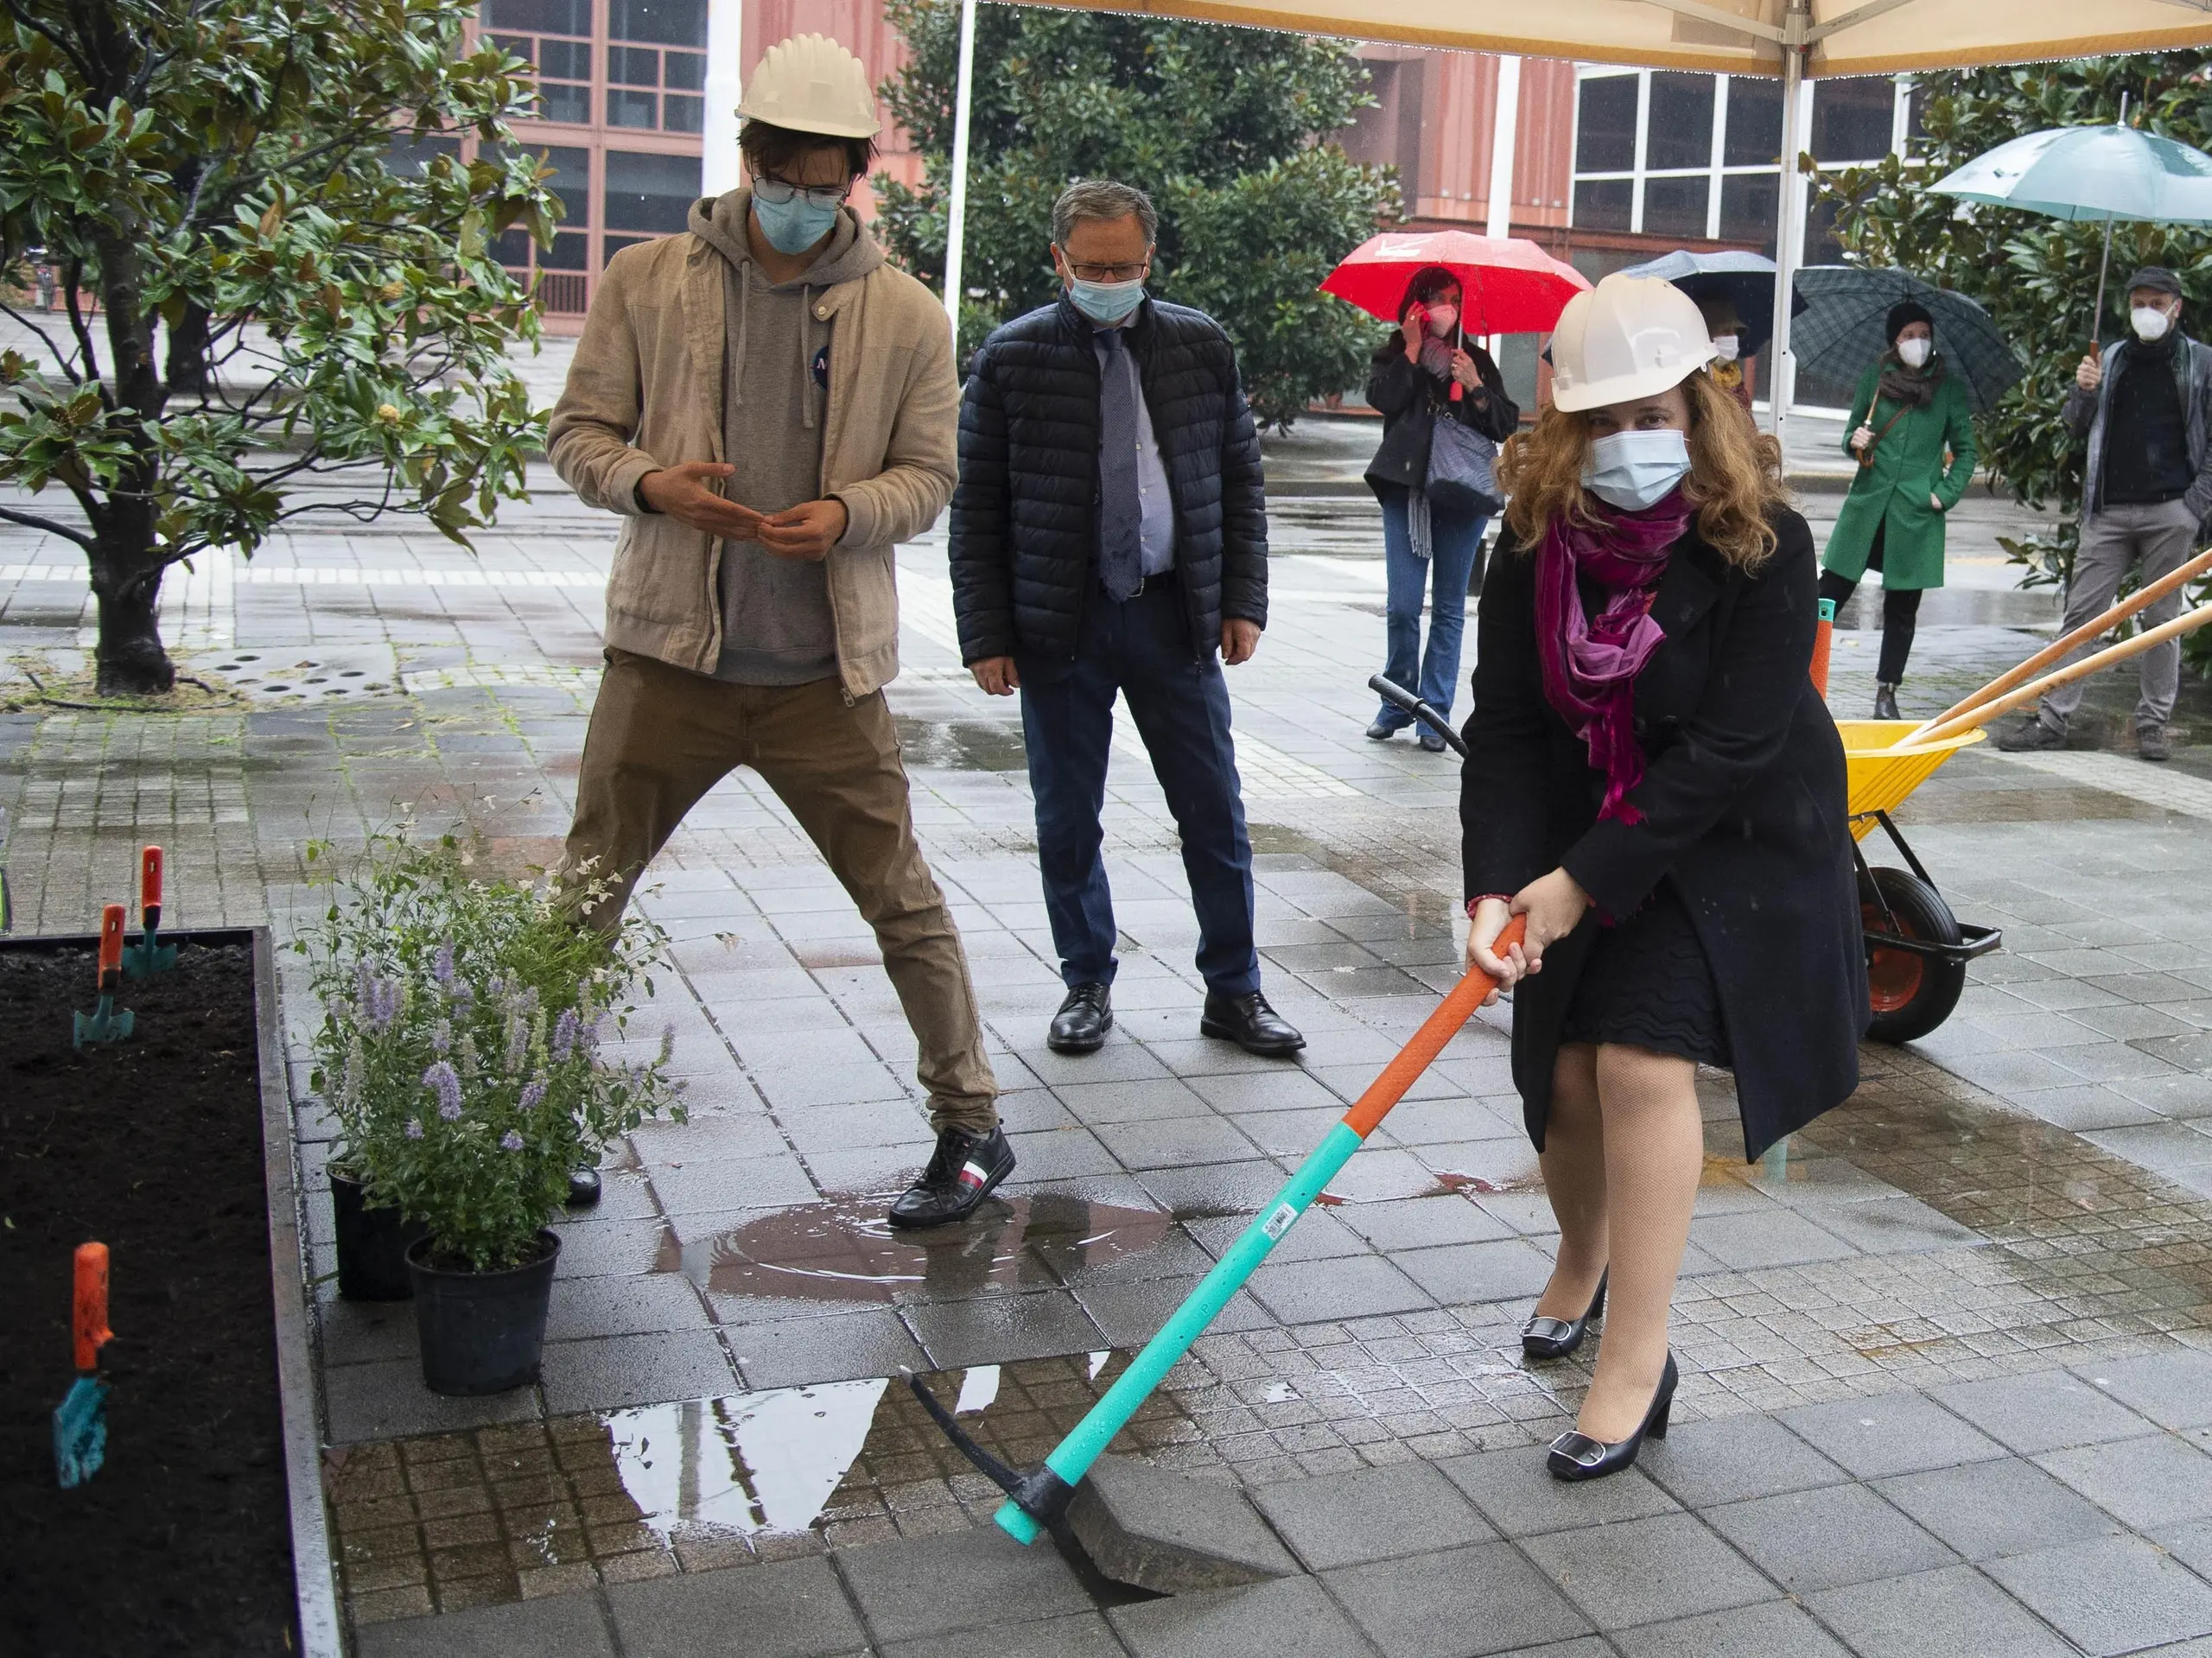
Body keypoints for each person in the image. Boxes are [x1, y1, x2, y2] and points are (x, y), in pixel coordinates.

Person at [545, 33, 1014, 1230]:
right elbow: (578, 435)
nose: (806, 204)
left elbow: (930, 474)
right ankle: (533, 1116)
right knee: (583, 896)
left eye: (829, 184)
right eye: (787, 179)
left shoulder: (907, 314)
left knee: (901, 899)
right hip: (668, 659)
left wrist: (853, 513)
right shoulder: (648, 280)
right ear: (747, 160)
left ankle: (971, 1126)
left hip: (824, 674)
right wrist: (654, 485)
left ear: (856, 177)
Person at [1461, 274, 1866, 1482]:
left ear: (1703, 404)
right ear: (1562, 424)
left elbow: (1735, 746)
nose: (1635, 442)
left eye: (1657, 412)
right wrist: (1497, 887)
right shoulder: (1532, 546)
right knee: (1564, 1079)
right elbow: (1509, 731)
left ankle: (1636, 1359)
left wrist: (1582, 882)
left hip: (1731, 841)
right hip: (1587, 833)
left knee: (1635, 1060)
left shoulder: (1763, 539)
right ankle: (1586, 1253)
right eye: (1605, 419)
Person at [950, 178, 1303, 1060]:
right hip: (1057, 624)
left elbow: (1239, 480)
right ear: (1058, 261)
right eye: (1091, 266)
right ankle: (1085, 981)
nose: (1109, 279)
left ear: (1150, 260)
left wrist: (1241, 601)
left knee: (1213, 810)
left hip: (1172, 615)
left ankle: (1235, 988)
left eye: (1125, 265)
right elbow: (977, 506)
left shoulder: (1197, 346)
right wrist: (986, 634)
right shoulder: (1012, 356)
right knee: (1067, 816)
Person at [1999, 267, 2212, 763]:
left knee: (2162, 620)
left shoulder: (2199, 363)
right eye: (2140, 302)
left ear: (2177, 307)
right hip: (2108, 511)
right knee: (2081, 616)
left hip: (2171, 512)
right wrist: (2084, 390)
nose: (2148, 312)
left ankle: (2153, 724)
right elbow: (2074, 427)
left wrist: (2195, 505)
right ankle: (2053, 718)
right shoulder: (2110, 358)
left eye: (2158, 303)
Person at [1362, 265, 1518, 750]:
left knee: (1450, 609)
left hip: (1463, 494)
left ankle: (1434, 715)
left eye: (1452, 298)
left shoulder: (1476, 360)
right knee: (1404, 606)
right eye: (1435, 298)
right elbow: (1384, 399)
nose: (1443, 308)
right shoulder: (1394, 352)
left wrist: (1473, 384)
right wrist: (1410, 351)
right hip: (1408, 491)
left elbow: (1505, 425)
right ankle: (1396, 700)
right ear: (1417, 304)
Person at [1818, 301, 1976, 721]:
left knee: (1902, 609)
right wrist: (1856, 440)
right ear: (1894, 340)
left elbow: (1965, 452)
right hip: (1868, 508)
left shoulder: (1949, 389)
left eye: (1924, 334)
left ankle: (1887, 692)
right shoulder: (1875, 378)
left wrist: (1943, 494)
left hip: (1915, 514)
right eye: (1909, 335)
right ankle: (1801, 675)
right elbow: (1851, 433)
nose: (1917, 342)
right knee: (1826, 596)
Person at [1694, 294, 1753, 413]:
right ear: (1707, 335)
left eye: (1735, 332)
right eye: (1725, 331)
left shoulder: (1735, 379)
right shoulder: (1695, 384)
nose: (1733, 337)